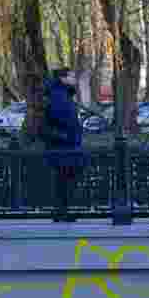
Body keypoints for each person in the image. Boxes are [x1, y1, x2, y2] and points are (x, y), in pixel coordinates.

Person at [41, 68, 86, 223]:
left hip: (64, 144)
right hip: (63, 145)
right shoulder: (58, 95)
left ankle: (61, 212)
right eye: (72, 76)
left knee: (64, 180)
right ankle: (61, 212)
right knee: (63, 180)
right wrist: (70, 135)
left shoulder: (62, 94)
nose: (74, 78)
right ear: (63, 78)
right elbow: (59, 119)